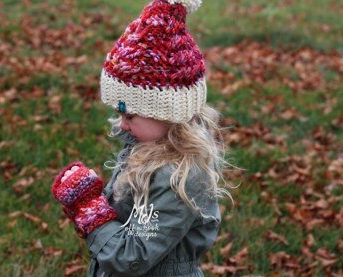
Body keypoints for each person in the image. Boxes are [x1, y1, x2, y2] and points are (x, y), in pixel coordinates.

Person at [52, 0, 232, 275]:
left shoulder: (179, 179)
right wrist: (93, 198)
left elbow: (132, 258)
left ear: (167, 113)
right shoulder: (148, 144)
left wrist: (90, 211)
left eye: (128, 115)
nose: (122, 125)